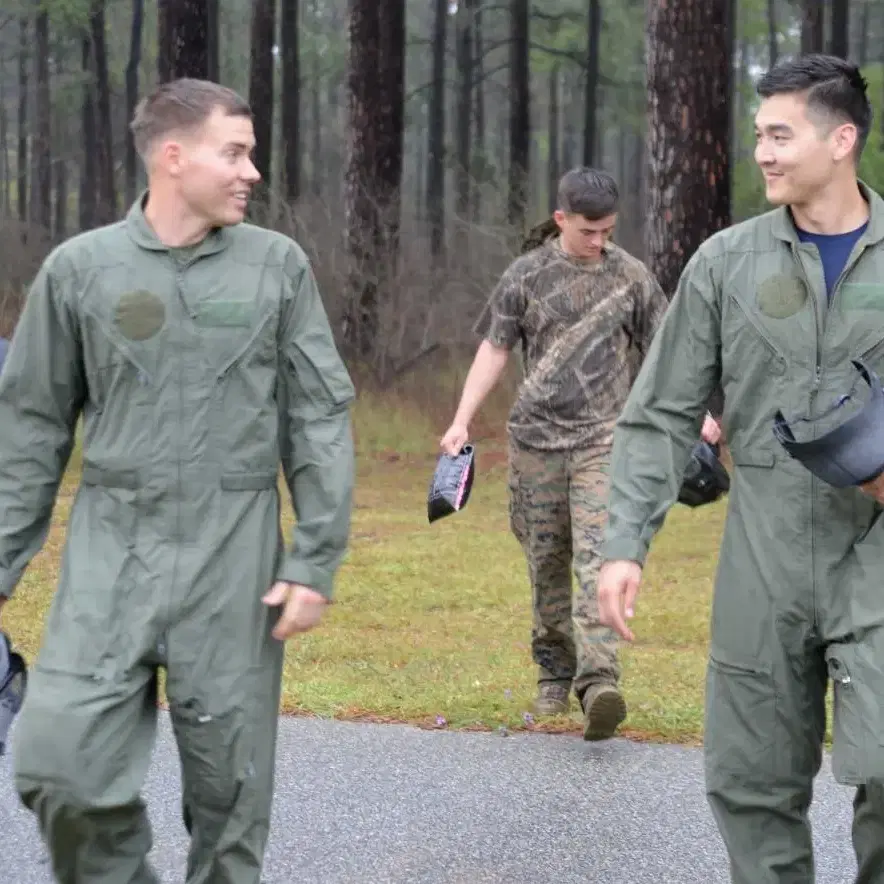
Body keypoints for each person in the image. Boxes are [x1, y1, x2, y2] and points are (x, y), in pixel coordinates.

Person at [0, 78, 355, 883]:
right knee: (59, 767)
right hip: (110, 553)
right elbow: (27, 431)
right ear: (172, 156)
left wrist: (315, 556)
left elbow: (319, 419)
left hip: (234, 558)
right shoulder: (79, 271)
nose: (250, 172)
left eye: (251, 154)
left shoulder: (277, 268)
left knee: (230, 800)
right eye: (234, 152)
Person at [598, 54, 884, 882]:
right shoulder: (725, 263)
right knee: (752, 785)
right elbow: (660, 414)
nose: (761, 151)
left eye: (780, 134)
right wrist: (625, 542)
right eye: (758, 133)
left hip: (875, 555)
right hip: (762, 557)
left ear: (842, 139)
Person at [440, 167, 718, 740]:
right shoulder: (526, 275)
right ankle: (553, 670)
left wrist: (699, 414)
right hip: (535, 443)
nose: (599, 243)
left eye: (609, 231)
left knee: (599, 555)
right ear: (562, 219)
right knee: (546, 562)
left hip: (604, 441)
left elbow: (666, 352)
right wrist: (461, 421)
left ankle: (599, 682)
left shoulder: (632, 277)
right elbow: (493, 350)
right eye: (589, 231)